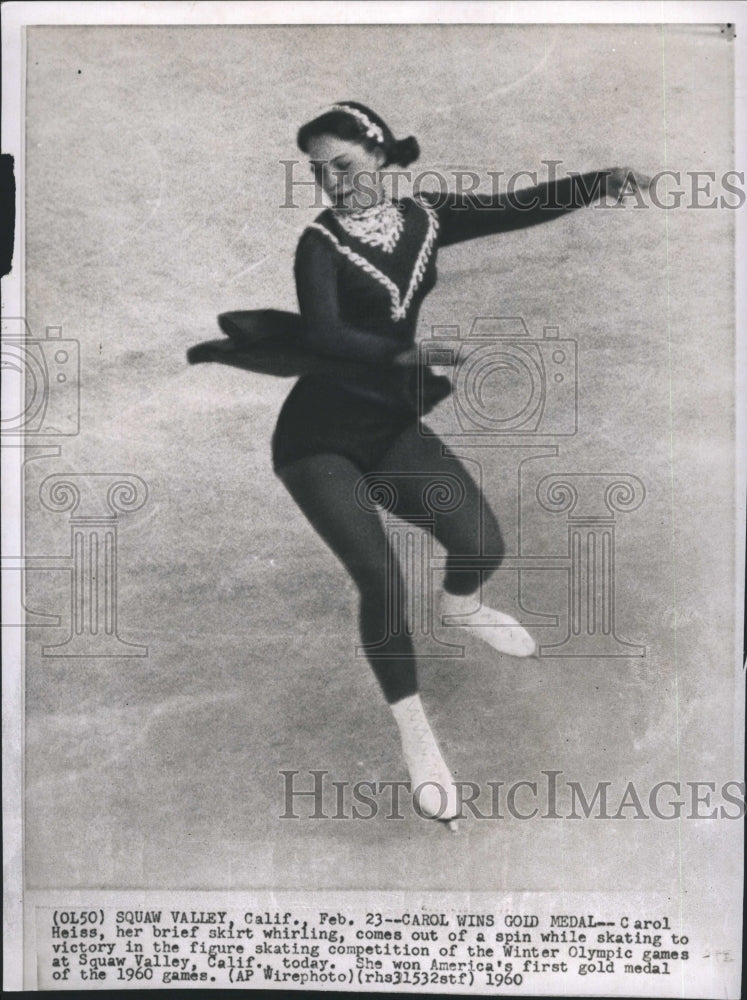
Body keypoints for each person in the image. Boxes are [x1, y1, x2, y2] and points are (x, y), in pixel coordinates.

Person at [208, 101, 647, 827]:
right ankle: (416, 735)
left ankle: (463, 607)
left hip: (385, 424)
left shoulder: (429, 217)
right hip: (316, 438)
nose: (332, 182)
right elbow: (322, 333)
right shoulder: (317, 244)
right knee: (380, 577)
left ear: (378, 156)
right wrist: (400, 354)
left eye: (343, 165)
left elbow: (520, 205)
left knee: (481, 544)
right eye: (318, 172)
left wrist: (605, 180)